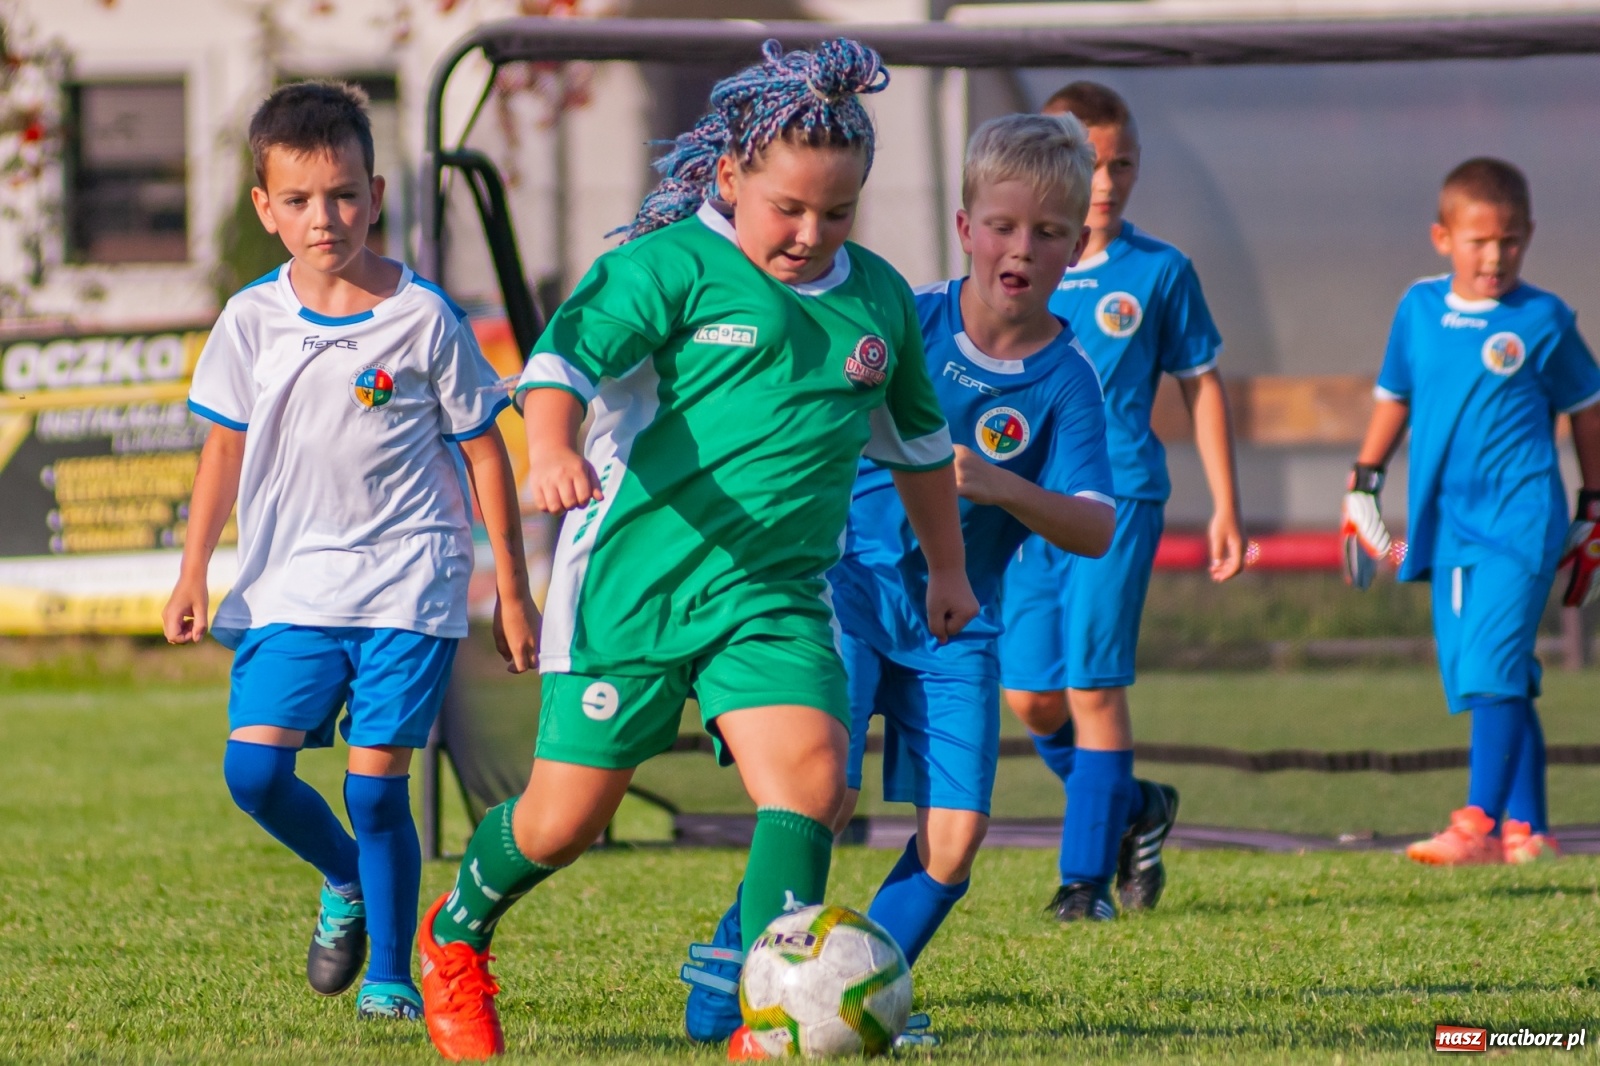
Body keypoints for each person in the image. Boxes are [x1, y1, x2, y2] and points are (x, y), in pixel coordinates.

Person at [416, 39, 978, 1061]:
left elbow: (920, 446)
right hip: (635, 588)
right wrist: (552, 448)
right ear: (727, 177)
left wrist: (946, 567)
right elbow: (560, 362)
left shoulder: (879, 300)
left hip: (774, 596)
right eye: (788, 209)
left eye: (837, 212)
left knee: (811, 783)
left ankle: (770, 1023)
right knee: (562, 823)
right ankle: (454, 934)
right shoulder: (667, 266)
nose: (810, 234)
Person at [680, 111, 1116, 1049]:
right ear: (965, 228)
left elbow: (1096, 526)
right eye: (1002, 226)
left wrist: (1000, 485)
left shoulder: (1069, 380)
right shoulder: (902, 316)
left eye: (1048, 233)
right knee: (818, 799)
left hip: (956, 626)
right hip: (843, 592)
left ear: (1076, 247)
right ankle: (741, 976)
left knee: (953, 844)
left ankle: (855, 992)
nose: (1021, 249)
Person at [161, 81, 539, 1021]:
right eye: (298, 200)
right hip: (291, 584)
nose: (322, 218)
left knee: (377, 793)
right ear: (266, 208)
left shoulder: (425, 317)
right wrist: (192, 570)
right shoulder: (250, 320)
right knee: (254, 775)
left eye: (340, 196)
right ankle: (345, 879)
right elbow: (223, 452)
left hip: (410, 581)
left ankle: (392, 978)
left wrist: (515, 591)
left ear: (374, 195)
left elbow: (485, 451)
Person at [998, 81, 1244, 922]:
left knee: (1093, 687)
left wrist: (1226, 505)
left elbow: (1202, 384)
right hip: (1021, 508)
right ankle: (1136, 807)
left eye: (1121, 165)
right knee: (1031, 697)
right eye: (1087, 164)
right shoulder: (1011, 265)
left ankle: (1084, 885)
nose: (1104, 183)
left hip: (1118, 501)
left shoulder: (1159, 271)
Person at [1343, 157, 1600, 866]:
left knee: (1491, 666)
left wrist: (1593, 506)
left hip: (1521, 521)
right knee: (1486, 674)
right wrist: (1363, 482)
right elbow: (1394, 395)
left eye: (1509, 240)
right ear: (1443, 238)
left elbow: (1588, 409)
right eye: (1479, 241)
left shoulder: (1545, 320)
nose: (1495, 256)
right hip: (1449, 525)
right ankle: (1529, 830)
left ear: (1528, 237)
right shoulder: (1418, 310)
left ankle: (1478, 823)